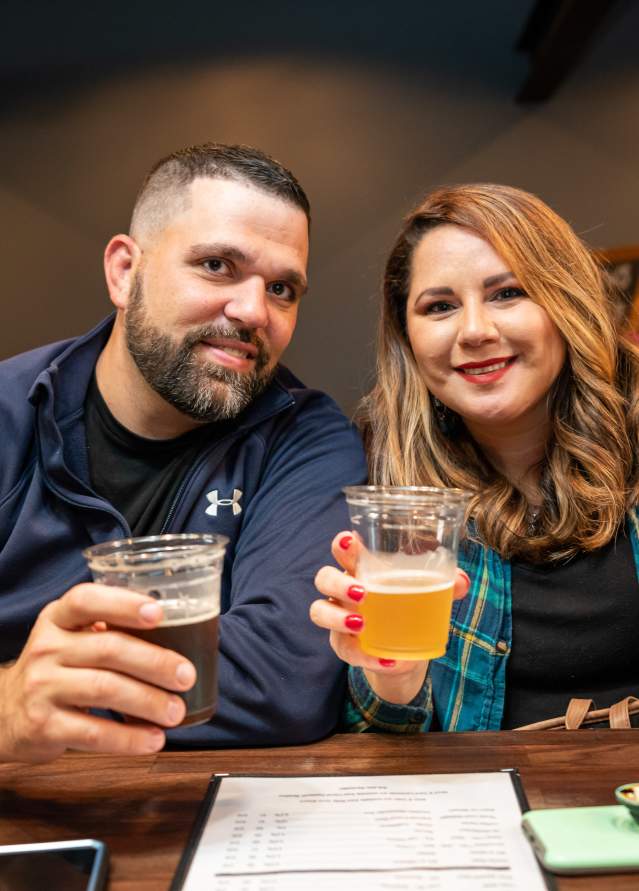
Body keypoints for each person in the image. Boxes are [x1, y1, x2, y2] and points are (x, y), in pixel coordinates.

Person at [0, 142, 366, 763]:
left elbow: (283, 680)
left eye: (282, 288)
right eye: (217, 265)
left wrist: (43, 699)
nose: (253, 311)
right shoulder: (10, 412)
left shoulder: (306, 436)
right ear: (125, 272)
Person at [311, 182, 639, 732]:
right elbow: (382, 741)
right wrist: (393, 678)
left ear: (565, 303)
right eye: (440, 306)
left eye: (507, 293)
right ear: (407, 337)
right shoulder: (373, 474)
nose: (475, 331)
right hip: (482, 786)